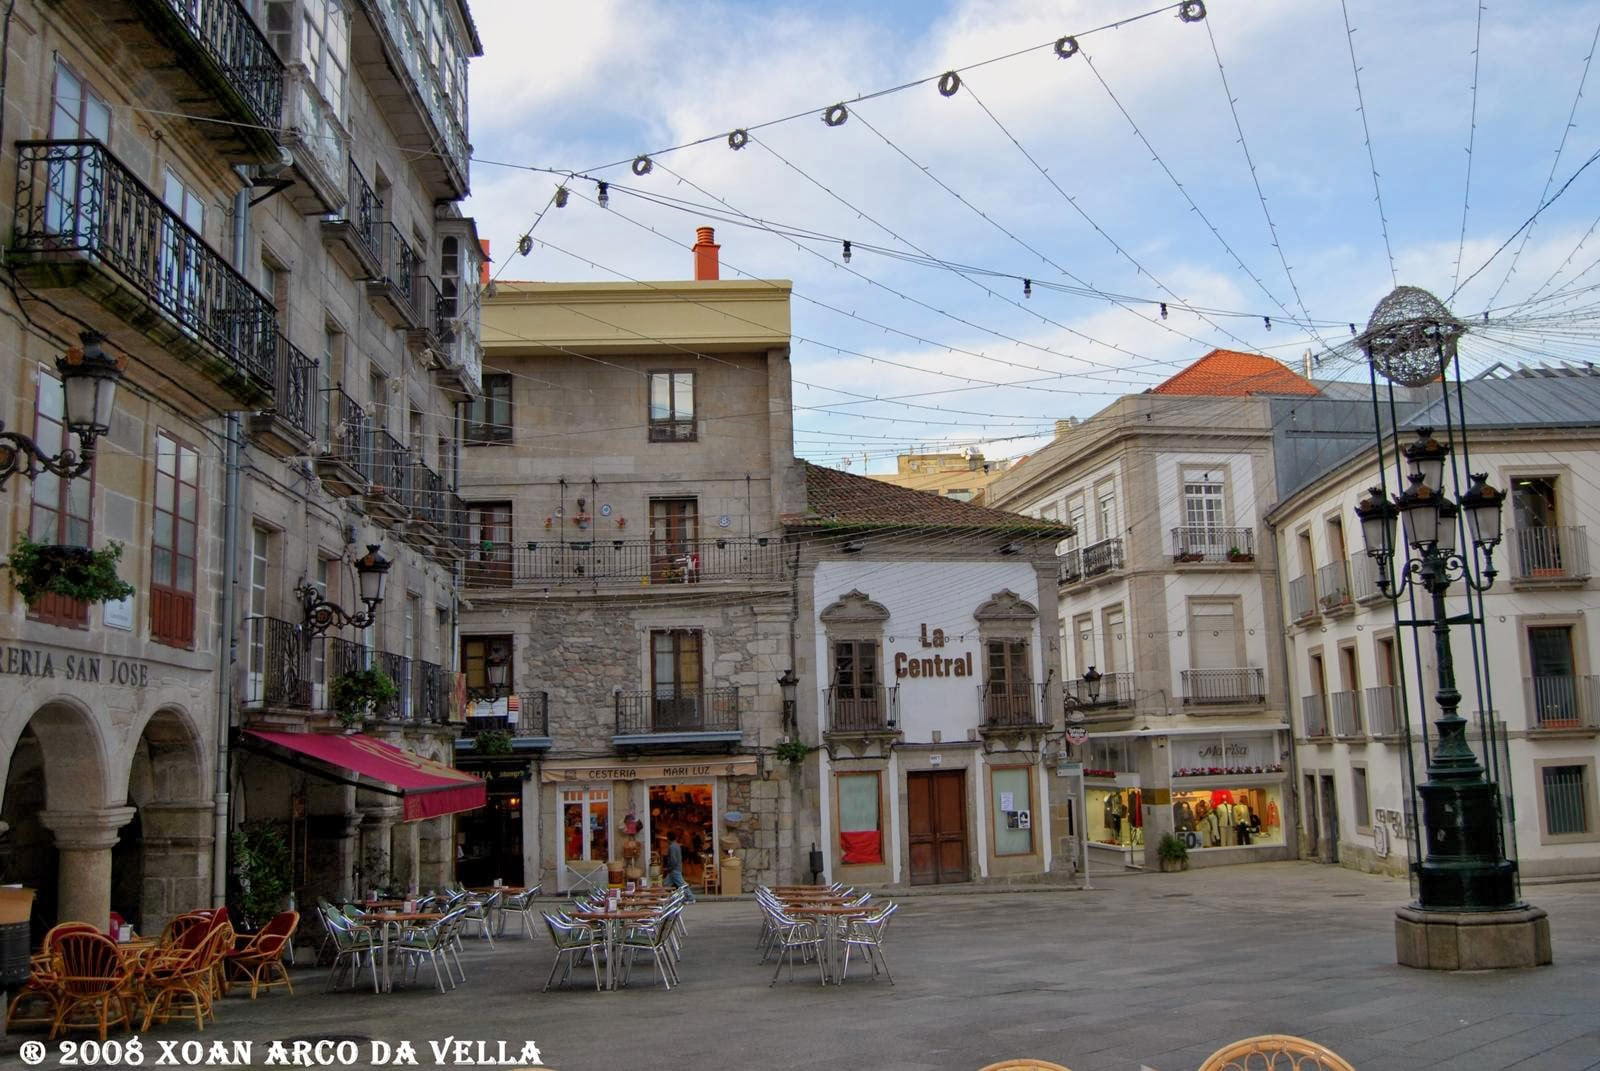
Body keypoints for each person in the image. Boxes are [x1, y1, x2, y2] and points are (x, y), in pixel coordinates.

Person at [664, 831, 696, 902]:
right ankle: (664, 898)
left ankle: (691, 897)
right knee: (666, 884)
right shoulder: (677, 845)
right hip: (677, 868)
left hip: (674, 869)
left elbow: (673, 860)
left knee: (681, 884)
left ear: (668, 838)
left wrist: (668, 868)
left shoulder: (671, 847)